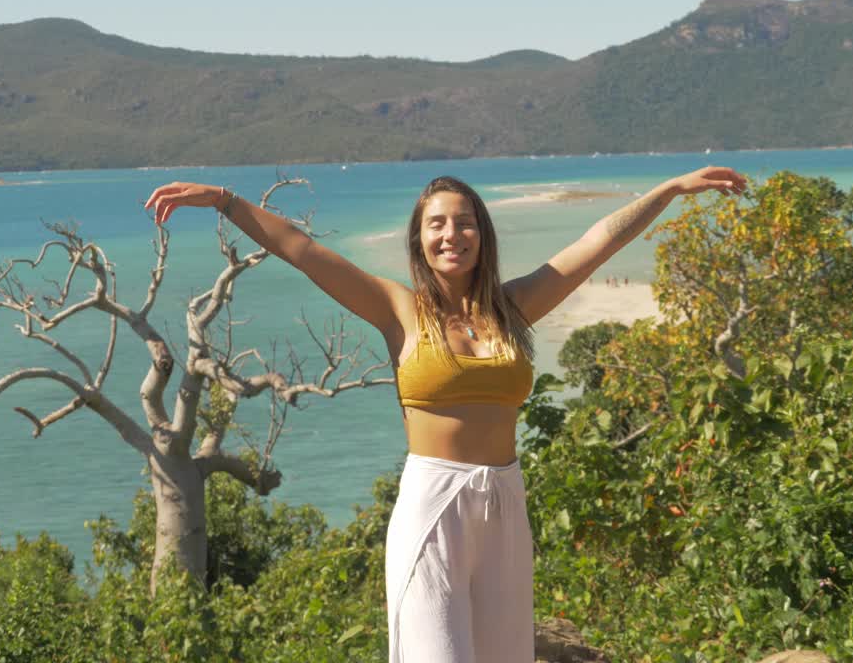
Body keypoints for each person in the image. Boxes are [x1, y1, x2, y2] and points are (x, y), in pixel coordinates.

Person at [143, 167, 746, 662]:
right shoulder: (398, 309)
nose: (450, 235)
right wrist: (225, 200)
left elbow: (597, 244)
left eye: (464, 224)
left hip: (505, 502)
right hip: (434, 503)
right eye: (436, 225)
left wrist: (668, 191)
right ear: (419, 241)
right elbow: (302, 250)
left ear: (482, 236)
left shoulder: (513, 309)